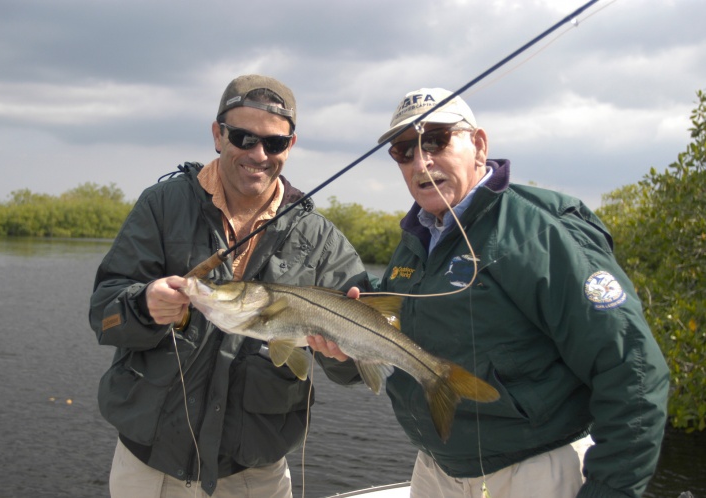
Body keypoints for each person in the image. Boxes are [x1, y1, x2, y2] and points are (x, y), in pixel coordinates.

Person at [308, 88, 670, 498]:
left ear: (478, 145)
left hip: (533, 472)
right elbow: (382, 354)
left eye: (435, 140)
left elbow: (634, 370)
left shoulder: (541, 231)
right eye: (404, 150)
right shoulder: (414, 241)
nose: (421, 161)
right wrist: (342, 351)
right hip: (435, 469)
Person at [89, 74, 369, 498]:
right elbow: (103, 314)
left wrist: (345, 353)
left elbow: (353, 370)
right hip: (148, 469)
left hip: (256, 475)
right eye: (242, 137)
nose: (258, 154)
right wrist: (143, 306)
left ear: (290, 146)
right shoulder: (161, 207)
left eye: (273, 143)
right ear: (217, 135)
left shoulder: (324, 241)